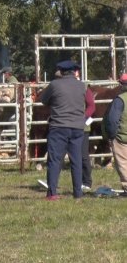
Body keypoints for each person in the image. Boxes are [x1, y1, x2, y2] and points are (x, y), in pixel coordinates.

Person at [40, 60, 86, 200]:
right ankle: (78, 193)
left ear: (61, 71)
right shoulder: (82, 86)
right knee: (76, 160)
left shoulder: (55, 84)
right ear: (74, 71)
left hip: (59, 126)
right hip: (78, 127)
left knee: (54, 160)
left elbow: (43, 100)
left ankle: (52, 193)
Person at [103, 73, 127, 194]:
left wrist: (111, 136)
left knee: (123, 164)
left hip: (122, 137)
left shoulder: (120, 100)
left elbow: (112, 120)